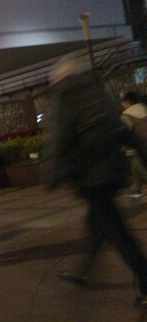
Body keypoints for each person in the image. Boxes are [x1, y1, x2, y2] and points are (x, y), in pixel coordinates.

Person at [45, 56, 147, 306]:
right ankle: (83, 270)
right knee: (97, 221)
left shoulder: (64, 94)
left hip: (91, 176)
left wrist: (51, 175)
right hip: (113, 170)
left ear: (59, 77)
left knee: (115, 230)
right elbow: (120, 127)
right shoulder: (96, 90)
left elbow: (58, 136)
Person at [120, 91, 147, 198]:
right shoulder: (143, 108)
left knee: (139, 166)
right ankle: (135, 189)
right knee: (135, 168)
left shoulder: (125, 116)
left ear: (127, 102)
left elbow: (126, 133)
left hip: (135, 146)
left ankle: (135, 189)